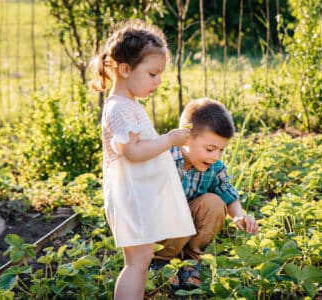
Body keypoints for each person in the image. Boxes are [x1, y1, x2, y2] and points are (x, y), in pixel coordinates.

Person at [89, 19, 196, 300]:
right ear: (125, 70)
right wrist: (170, 140)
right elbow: (133, 153)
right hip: (130, 197)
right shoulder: (118, 109)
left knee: (142, 258)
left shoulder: (128, 105)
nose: (158, 82)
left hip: (137, 195)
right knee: (136, 263)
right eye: (152, 73)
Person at [152, 97, 259, 288]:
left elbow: (228, 194)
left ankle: (191, 260)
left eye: (221, 150)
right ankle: (162, 261)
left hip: (187, 227)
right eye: (210, 149)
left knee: (215, 202)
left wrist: (239, 217)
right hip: (161, 230)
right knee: (174, 203)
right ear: (186, 137)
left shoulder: (215, 167)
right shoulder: (163, 158)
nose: (215, 156)